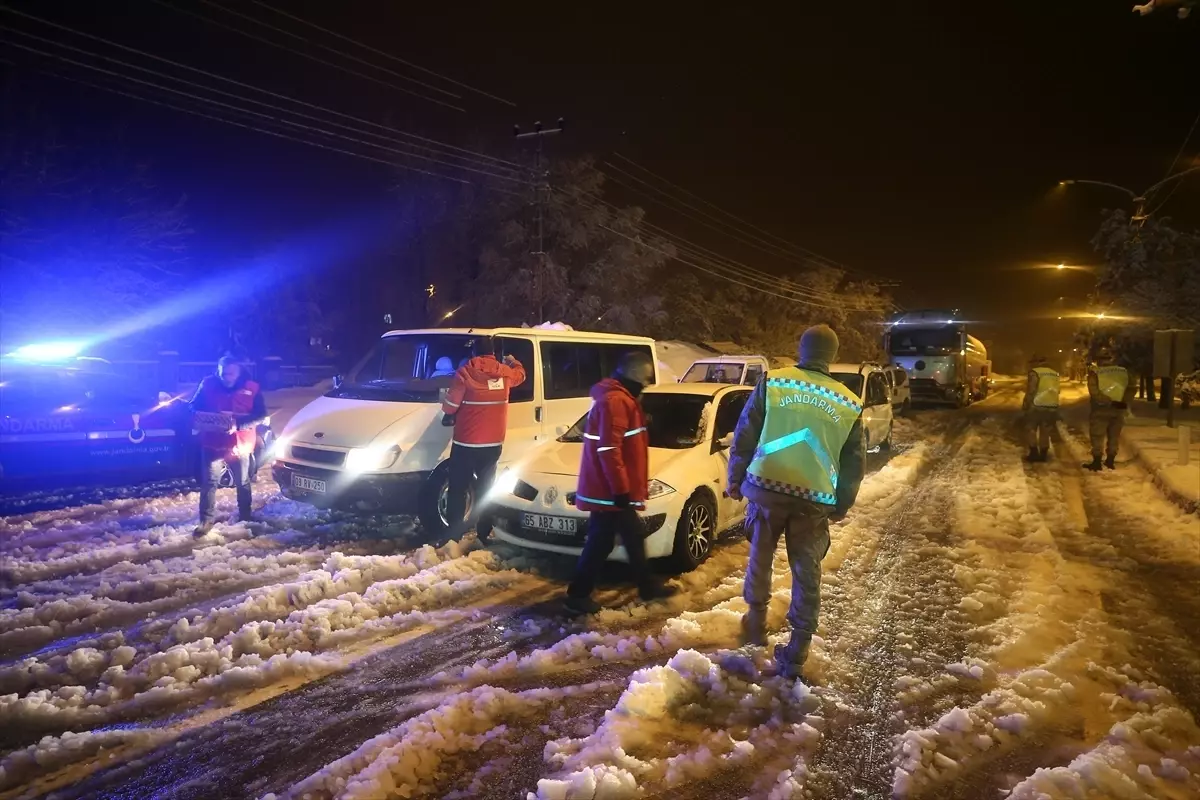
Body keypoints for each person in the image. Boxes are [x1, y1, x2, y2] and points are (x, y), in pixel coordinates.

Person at [727, 324, 866, 678]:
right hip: (814, 498)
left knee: (760, 556)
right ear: (832, 356)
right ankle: (798, 647)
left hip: (766, 487)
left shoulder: (775, 382)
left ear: (801, 349)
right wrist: (842, 504)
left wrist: (735, 479)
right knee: (807, 571)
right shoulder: (849, 402)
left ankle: (755, 623)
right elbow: (854, 463)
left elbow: (746, 432)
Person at [565, 351, 679, 614]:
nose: (645, 387)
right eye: (644, 382)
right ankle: (579, 594)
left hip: (611, 489)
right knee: (605, 541)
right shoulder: (617, 401)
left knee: (628, 537)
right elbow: (609, 449)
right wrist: (620, 489)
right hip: (610, 491)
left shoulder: (621, 399)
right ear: (634, 377)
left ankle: (645, 586)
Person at [440, 337, 526, 541]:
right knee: (486, 488)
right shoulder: (505, 373)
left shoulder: (465, 373)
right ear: (494, 353)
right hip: (493, 444)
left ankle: (454, 534)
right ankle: (483, 532)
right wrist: (513, 361)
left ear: (474, 353)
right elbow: (521, 375)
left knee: (458, 488)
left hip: (466, 443)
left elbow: (450, 406)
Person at [190, 355, 268, 537]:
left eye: (230, 373)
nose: (226, 377)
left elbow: (261, 414)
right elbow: (193, 405)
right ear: (218, 371)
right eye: (223, 373)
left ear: (238, 372)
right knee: (209, 483)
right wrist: (199, 416)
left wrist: (238, 425)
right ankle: (206, 521)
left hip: (240, 443)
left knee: (243, 482)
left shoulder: (252, 387)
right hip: (212, 442)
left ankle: (246, 516)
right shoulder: (207, 384)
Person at [1084, 347, 1134, 471]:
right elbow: (1132, 387)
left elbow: (1094, 392)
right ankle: (1110, 461)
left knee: (1097, 435)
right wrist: (1123, 401)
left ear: (1099, 360)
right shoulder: (1123, 371)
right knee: (1114, 436)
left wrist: (1108, 402)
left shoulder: (1095, 372)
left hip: (1101, 409)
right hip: (1118, 410)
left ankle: (1096, 462)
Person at [1023, 355, 1060, 462]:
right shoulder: (1054, 373)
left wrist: (1026, 403)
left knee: (1031, 428)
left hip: (1036, 405)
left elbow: (1031, 390)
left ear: (1036, 362)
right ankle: (1043, 454)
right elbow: (1057, 390)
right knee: (1045, 431)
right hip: (1051, 406)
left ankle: (1034, 453)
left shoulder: (1035, 372)